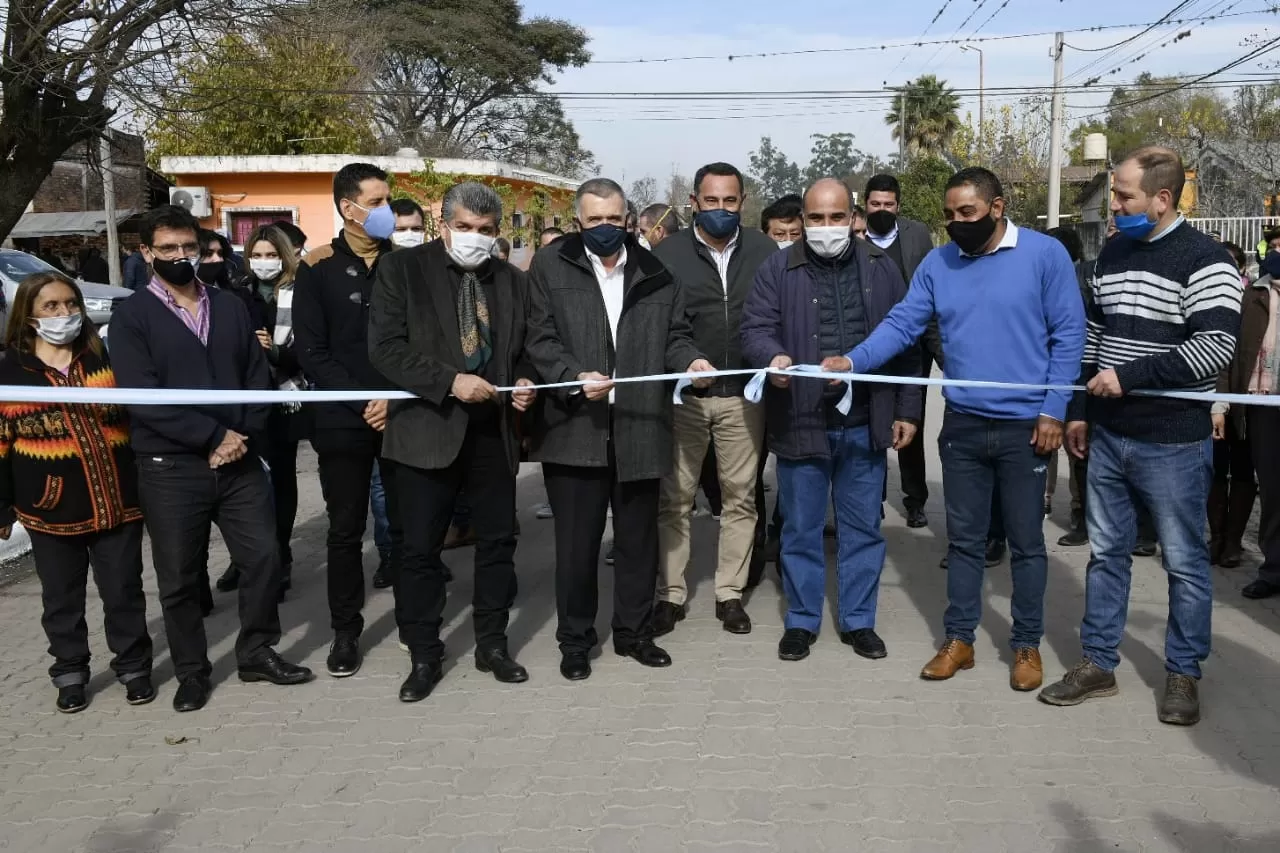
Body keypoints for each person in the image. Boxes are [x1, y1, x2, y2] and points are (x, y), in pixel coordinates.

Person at [830, 167, 1085, 691]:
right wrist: (854, 361)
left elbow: (1069, 334)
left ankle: (1027, 645)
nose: (956, 223)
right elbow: (904, 323)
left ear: (997, 207)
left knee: (1027, 543)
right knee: (965, 542)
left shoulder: (1044, 256)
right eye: (948, 215)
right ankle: (959, 640)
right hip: (964, 424)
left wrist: (1054, 410)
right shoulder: (938, 262)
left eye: (966, 213)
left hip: (1027, 428)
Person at [1040, 146, 1241, 726]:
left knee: (1183, 562)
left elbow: (1213, 349)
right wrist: (1080, 408)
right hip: (1108, 436)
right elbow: (1092, 336)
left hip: (1173, 440)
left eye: (1124, 196)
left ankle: (1183, 672)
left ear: (1161, 198)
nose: (1115, 206)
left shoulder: (1206, 261)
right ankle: (1098, 662)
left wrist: (1128, 378)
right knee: (1106, 556)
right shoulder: (1113, 252)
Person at [110, 204, 313, 713]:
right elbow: (142, 396)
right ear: (146, 253)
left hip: (240, 458)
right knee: (180, 576)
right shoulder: (132, 316)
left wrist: (240, 433)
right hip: (171, 466)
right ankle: (192, 671)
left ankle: (256, 650)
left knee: (263, 556)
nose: (182, 257)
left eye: (189, 248)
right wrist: (211, 436)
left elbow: (254, 374)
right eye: (169, 249)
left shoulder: (228, 305)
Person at [525, 177, 712, 681]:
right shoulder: (550, 265)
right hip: (574, 431)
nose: (605, 228)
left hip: (640, 427)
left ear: (628, 220)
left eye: (614, 219)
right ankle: (576, 640)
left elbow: (675, 335)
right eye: (594, 220)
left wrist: (691, 361)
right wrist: (570, 377)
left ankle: (633, 633)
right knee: (577, 548)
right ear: (577, 221)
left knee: (637, 543)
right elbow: (538, 338)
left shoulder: (656, 269)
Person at [742, 177, 923, 661]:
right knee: (800, 528)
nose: (826, 228)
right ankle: (801, 621)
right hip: (801, 419)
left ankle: (858, 620)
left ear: (854, 217)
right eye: (816, 219)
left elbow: (906, 342)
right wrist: (773, 357)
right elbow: (755, 328)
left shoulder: (883, 269)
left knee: (862, 527)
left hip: (866, 421)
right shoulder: (777, 269)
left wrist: (907, 410)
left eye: (836, 217)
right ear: (802, 221)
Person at [370, 182, 536, 701]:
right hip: (425, 430)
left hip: (492, 432)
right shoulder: (402, 271)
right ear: (443, 226)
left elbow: (527, 348)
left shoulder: (512, 280)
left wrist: (527, 380)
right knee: (418, 550)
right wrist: (449, 380)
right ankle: (424, 653)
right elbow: (384, 348)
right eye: (464, 228)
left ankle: (491, 643)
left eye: (486, 231)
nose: (474, 239)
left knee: (497, 545)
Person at [0, 272, 153, 713]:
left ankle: (134, 667)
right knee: (62, 598)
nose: (64, 314)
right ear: (28, 314)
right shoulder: (10, 371)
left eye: (70, 304)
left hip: (118, 502)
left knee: (124, 590)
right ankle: (70, 672)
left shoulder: (103, 358)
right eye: (51, 306)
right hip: (50, 509)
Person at [651, 162, 775, 637]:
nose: (720, 209)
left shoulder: (765, 252)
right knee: (675, 498)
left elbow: (771, 318)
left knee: (741, 499)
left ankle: (730, 593)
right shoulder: (668, 256)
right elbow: (661, 324)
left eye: (729, 201)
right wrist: (686, 360)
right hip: (685, 398)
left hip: (744, 396)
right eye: (711, 201)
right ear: (694, 202)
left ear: (742, 203)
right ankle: (670, 594)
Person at [294, 162, 403, 680]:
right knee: (345, 530)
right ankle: (345, 632)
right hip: (343, 419)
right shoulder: (316, 268)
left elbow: (420, 343)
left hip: (403, 416)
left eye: (388, 200)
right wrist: (365, 399)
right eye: (378, 201)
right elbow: (311, 351)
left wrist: (394, 400)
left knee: (407, 524)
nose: (387, 210)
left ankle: (415, 620)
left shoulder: (405, 265)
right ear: (349, 207)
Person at [212, 226, 309, 599]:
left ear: (284, 256)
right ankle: (246, 557)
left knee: (281, 483)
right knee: (248, 484)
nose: (264, 262)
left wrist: (274, 353)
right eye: (258, 254)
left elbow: (310, 350)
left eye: (272, 254)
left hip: (285, 399)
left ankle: (280, 557)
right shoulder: (237, 292)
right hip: (246, 400)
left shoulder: (301, 292)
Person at [863, 174, 938, 530]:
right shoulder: (853, 238)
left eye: (888, 204)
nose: (881, 210)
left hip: (911, 345)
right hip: (869, 345)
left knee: (911, 421)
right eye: (875, 204)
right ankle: (871, 498)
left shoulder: (917, 235)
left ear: (898, 206)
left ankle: (915, 499)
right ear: (865, 205)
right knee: (871, 420)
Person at [1221, 233, 1280, 599]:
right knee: (1273, 493)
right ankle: (1273, 570)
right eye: (1274, 247)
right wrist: (1221, 402)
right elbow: (1231, 352)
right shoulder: (1253, 296)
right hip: (1264, 405)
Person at [1208, 239, 1259, 569]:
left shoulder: (1252, 298)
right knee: (1213, 471)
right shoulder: (1204, 296)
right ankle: (1216, 536)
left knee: (1242, 471)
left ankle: (1233, 542)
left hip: (1243, 402)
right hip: (1211, 400)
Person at [1047, 226, 1091, 547]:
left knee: (1076, 448)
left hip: (1077, 380)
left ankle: (1082, 516)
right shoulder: (1041, 282)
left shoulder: (1080, 284)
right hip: (1050, 379)